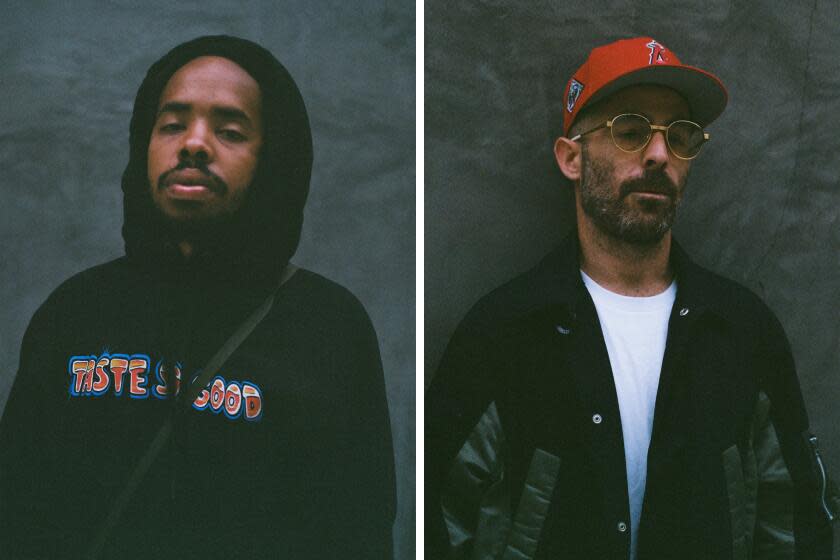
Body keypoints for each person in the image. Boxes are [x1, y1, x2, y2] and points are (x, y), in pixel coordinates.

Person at [425, 37, 836, 560]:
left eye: (681, 136)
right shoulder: (506, 331)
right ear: (572, 157)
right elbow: (440, 522)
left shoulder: (742, 331)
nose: (660, 153)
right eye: (631, 130)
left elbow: (796, 528)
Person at [0, 35, 395, 559]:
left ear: (272, 160)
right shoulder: (75, 310)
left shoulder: (327, 327)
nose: (194, 143)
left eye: (230, 131)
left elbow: (356, 534)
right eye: (171, 124)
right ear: (144, 143)